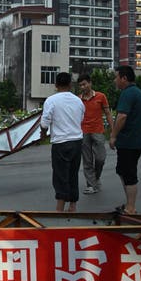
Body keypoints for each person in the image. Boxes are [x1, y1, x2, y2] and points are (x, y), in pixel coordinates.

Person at [40, 72, 85, 212]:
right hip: (77, 141)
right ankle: (73, 206)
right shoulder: (78, 101)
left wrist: (43, 134)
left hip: (60, 143)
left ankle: (59, 209)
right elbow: (81, 118)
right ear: (70, 85)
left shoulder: (51, 100)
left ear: (55, 85)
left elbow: (44, 122)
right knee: (73, 173)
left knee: (60, 175)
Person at [109, 65, 141, 215]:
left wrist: (113, 135)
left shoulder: (128, 93)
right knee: (123, 171)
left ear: (124, 78)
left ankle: (131, 208)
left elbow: (122, 116)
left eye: (116, 77)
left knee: (129, 174)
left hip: (130, 142)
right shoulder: (138, 93)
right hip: (135, 141)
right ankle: (128, 205)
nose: (114, 80)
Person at [78, 73, 114, 194]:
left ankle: (96, 178)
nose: (82, 87)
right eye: (80, 85)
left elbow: (108, 113)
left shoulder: (101, 96)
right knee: (87, 160)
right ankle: (91, 185)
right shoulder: (78, 99)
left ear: (90, 83)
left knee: (100, 158)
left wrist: (113, 129)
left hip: (98, 131)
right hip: (83, 132)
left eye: (84, 84)